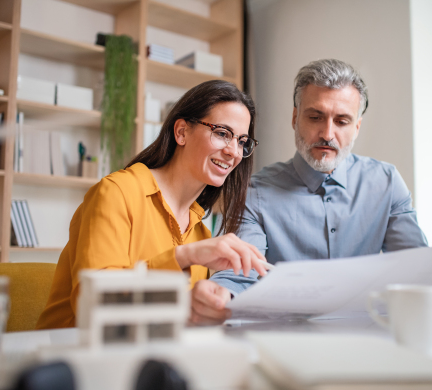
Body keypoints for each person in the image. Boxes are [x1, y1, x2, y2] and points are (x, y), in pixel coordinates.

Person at [188, 59, 428, 325]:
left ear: (357, 127)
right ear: (295, 118)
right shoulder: (255, 192)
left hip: (369, 335)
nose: (327, 133)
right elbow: (239, 275)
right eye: (315, 117)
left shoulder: (387, 183)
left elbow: (417, 268)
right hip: (287, 341)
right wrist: (221, 295)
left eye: (342, 121)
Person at [36, 80, 268, 329]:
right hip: (73, 357)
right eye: (222, 133)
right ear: (181, 132)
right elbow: (93, 307)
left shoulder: (200, 232)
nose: (234, 151)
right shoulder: (116, 193)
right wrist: (185, 256)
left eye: (242, 141)